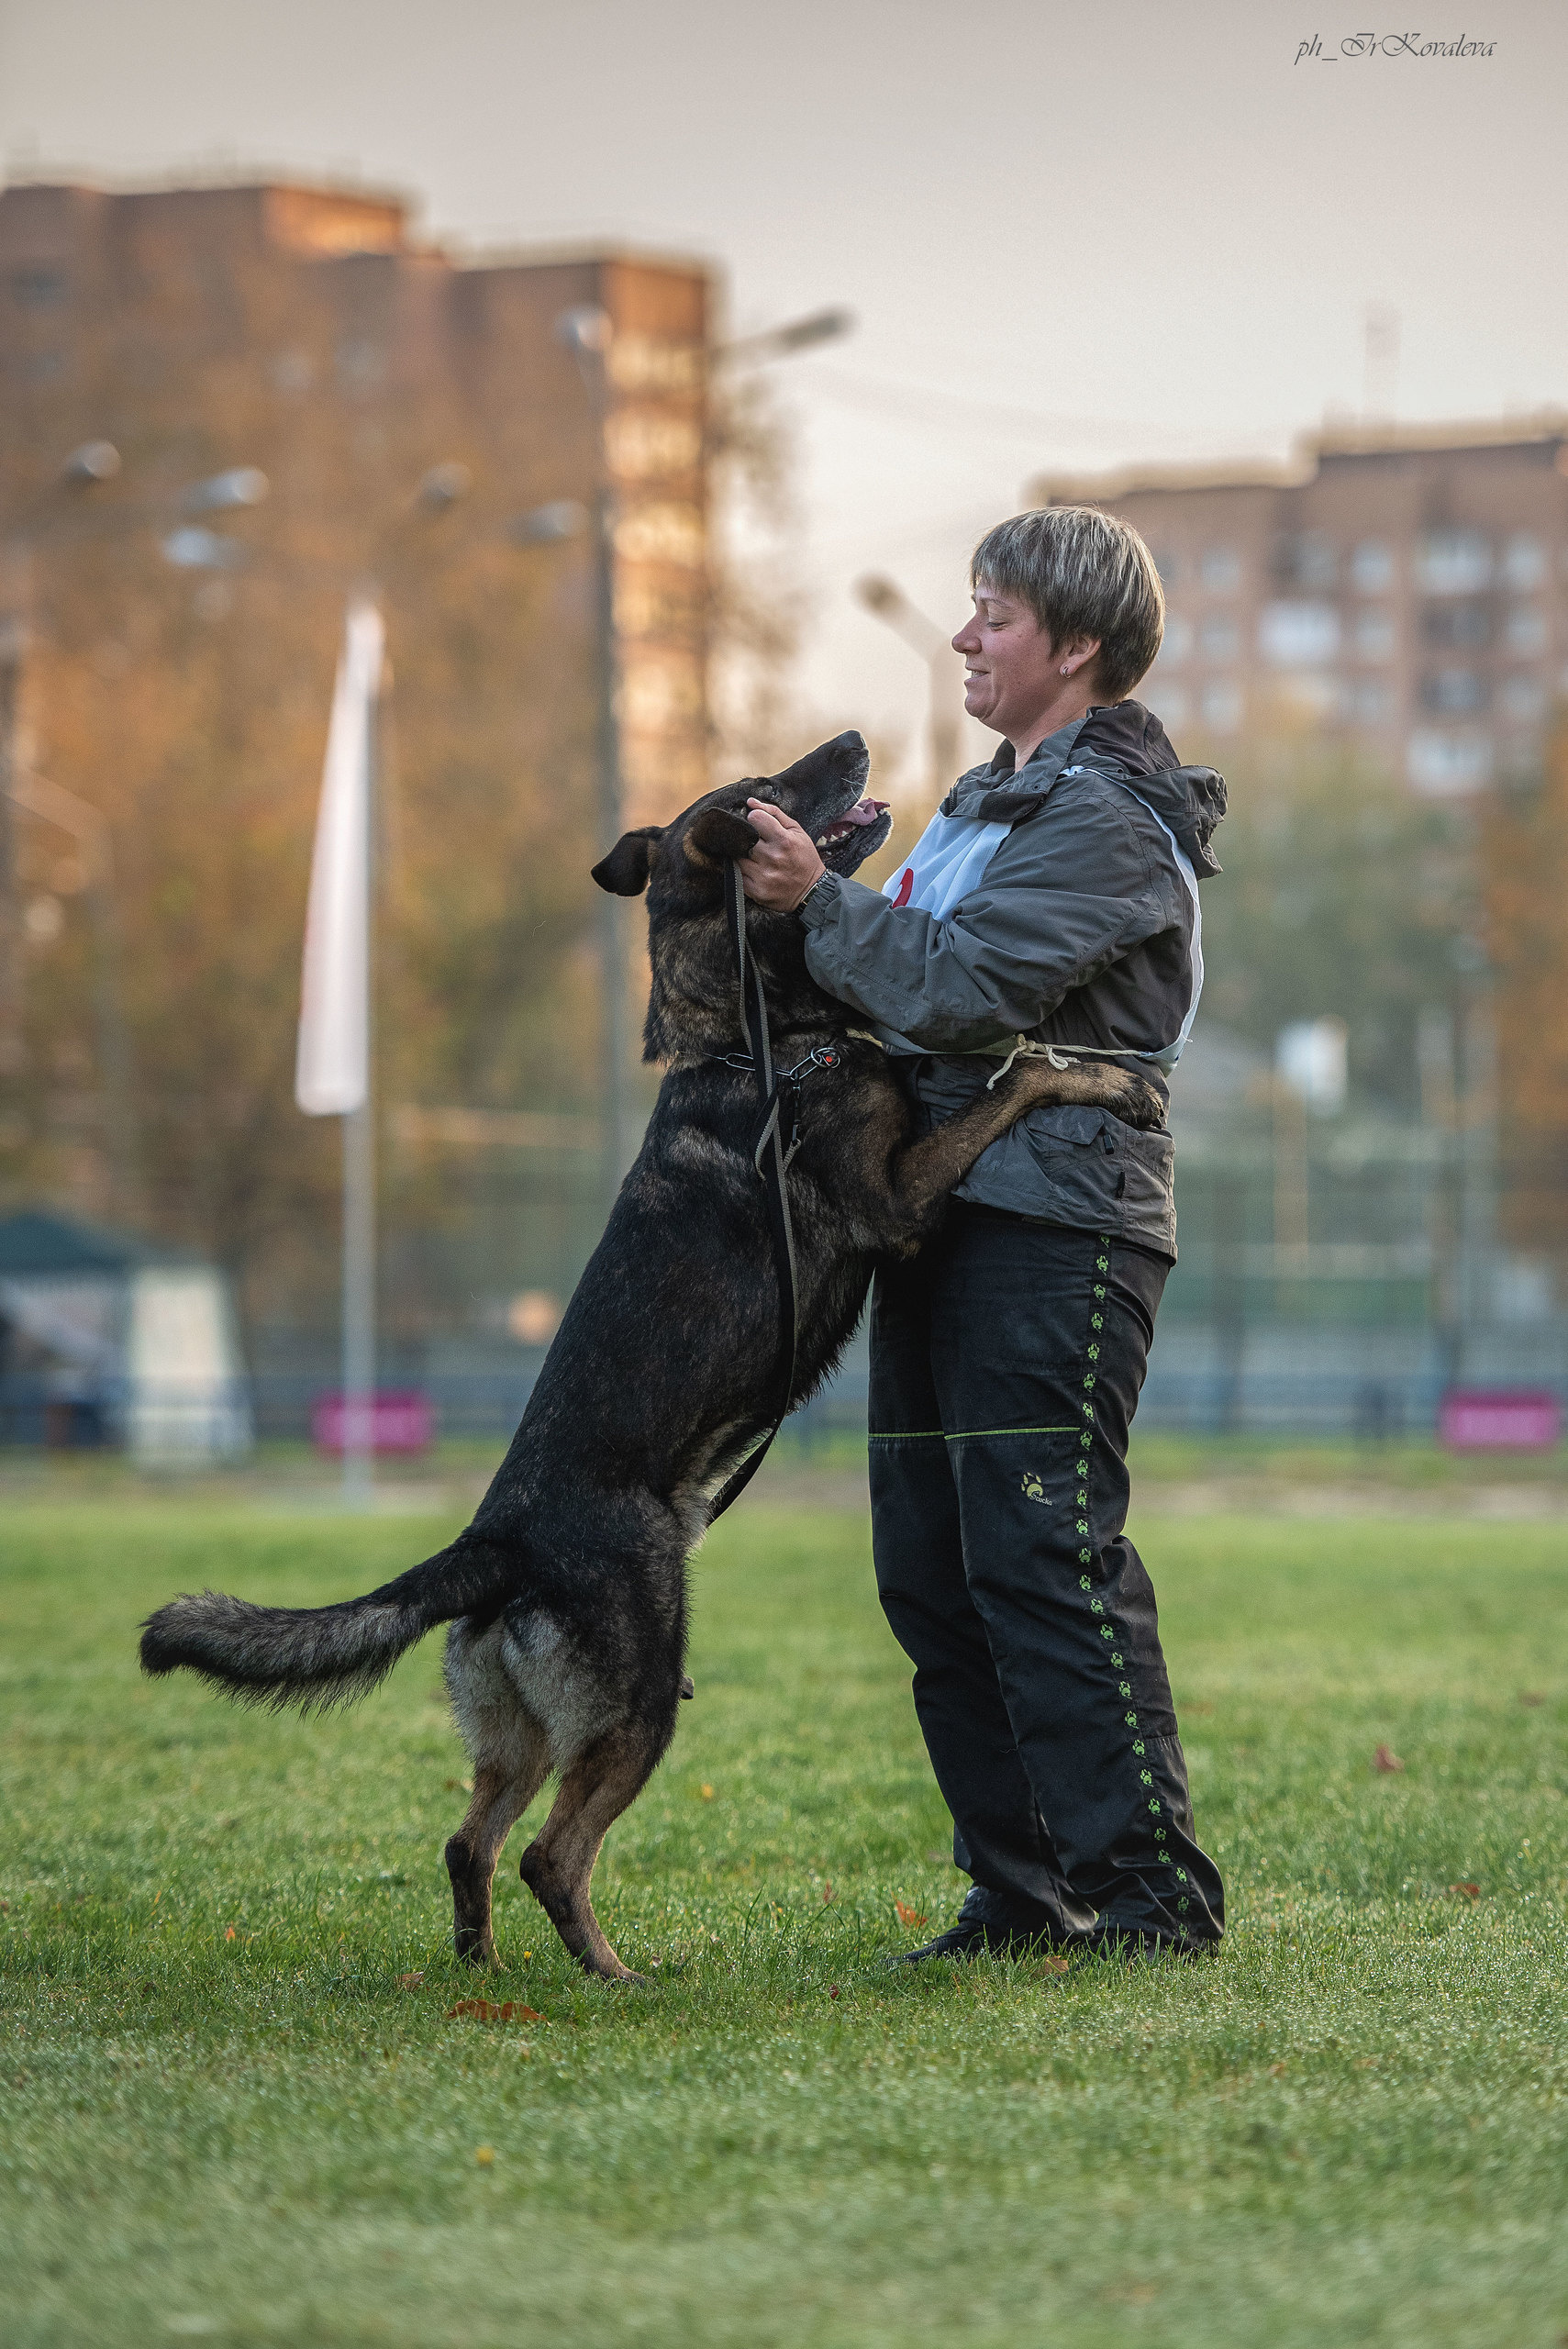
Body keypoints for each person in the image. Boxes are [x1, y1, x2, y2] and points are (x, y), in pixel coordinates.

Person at [740, 506, 1226, 1960]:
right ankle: (1021, 1895)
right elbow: (889, 969)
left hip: (1060, 1224)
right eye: (967, 609)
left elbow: (956, 990)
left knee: (1039, 1558)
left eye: (993, 615)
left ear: (1076, 646)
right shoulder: (975, 805)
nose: (964, 637)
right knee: (931, 1573)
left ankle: (1148, 1904)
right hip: (940, 1215)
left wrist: (819, 901)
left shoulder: (1104, 822)